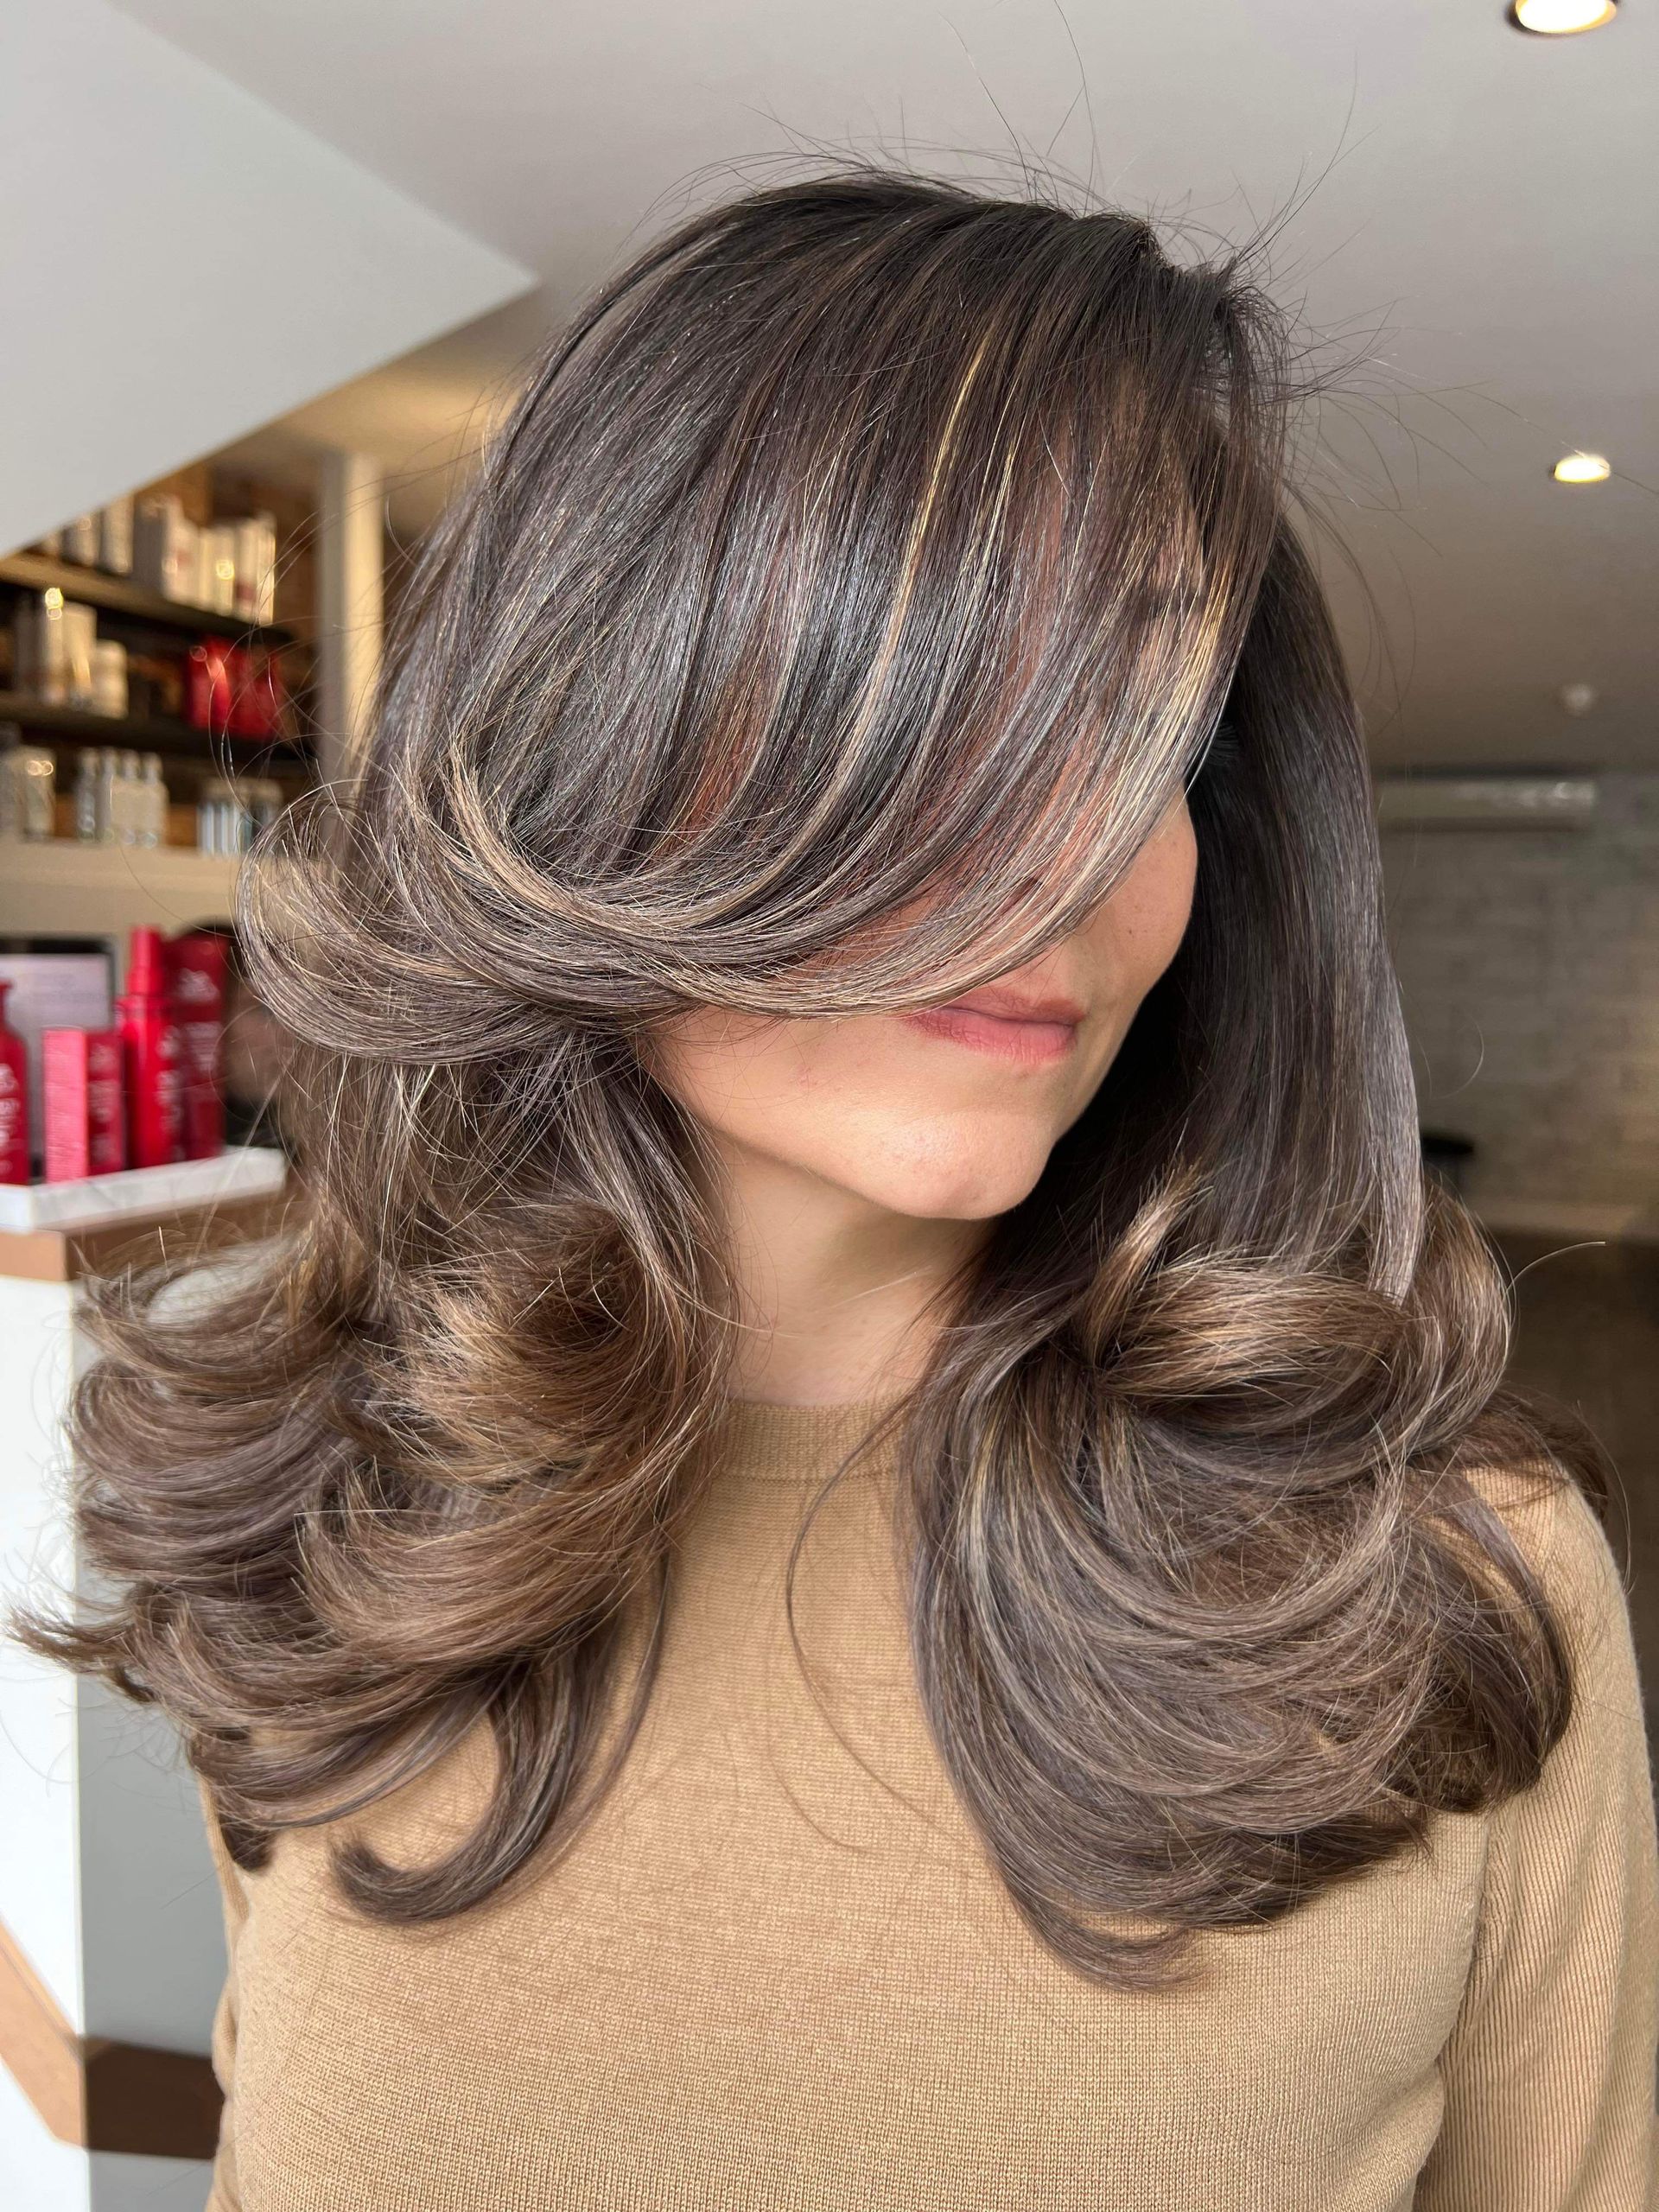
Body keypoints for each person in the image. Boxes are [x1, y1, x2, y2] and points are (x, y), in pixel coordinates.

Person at [14, 168, 1656, 2209]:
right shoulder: (332, 1509)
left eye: (1135, 720)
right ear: (576, 735)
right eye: (919, 694)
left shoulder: (1441, 1574)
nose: (1060, 848)